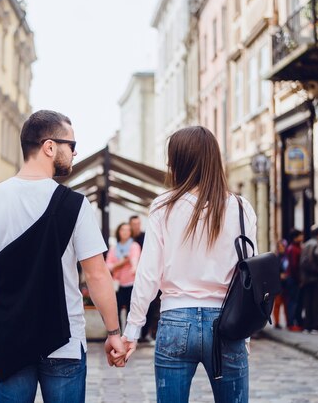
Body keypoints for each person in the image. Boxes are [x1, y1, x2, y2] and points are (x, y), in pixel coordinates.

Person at [0, 110, 126, 403]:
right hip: (63, 342)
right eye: (71, 145)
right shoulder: (75, 205)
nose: (75, 153)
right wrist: (114, 332)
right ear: (49, 147)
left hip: (9, 338)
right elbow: (98, 274)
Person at [122, 126, 255, 402]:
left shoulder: (163, 207)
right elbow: (249, 277)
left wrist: (132, 330)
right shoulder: (241, 208)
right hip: (228, 323)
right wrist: (247, 335)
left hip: (175, 320)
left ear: (180, 162)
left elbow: (148, 275)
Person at [130, 215, 160, 343]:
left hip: (149, 274)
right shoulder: (128, 239)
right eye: (134, 223)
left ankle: (147, 333)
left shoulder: (144, 236)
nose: (137, 225)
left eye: (138, 223)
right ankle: (133, 333)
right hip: (130, 278)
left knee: (152, 306)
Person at [106, 223, 141, 330]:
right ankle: (117, 333)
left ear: (130, 232)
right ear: (118, 232)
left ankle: (129, 334)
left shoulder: (134, 246)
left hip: (131, 284)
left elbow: (135, 260)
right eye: (122, 229)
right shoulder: (114, 248)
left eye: (127, 230)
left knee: (131, 311)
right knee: (116, 310)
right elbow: (108, 266)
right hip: (117, 285)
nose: (125, 232)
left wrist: (133, 266)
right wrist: (121, 263)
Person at [299, 226, 318, 333]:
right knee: (317, 302)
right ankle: (315, 324)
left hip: (306, 278)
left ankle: (308, 324)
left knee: (308, 302)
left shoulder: (306, 244)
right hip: (316, 278)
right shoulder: (317, 245)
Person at [285, 229, 304, 331]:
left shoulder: (295, 247)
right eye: (300, 236)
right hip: (293, 279)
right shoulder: (293, 249)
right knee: (293, 301)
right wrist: (299, 279)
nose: (302, 237)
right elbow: (294, 266)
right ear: (295, 237)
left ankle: (295, 322)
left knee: (295, 301)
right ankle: (291, 323)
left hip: (293, 278)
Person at [273, 239, 289, 329]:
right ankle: (277, 323)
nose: (281, 248)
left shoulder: (287, 257)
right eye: (279, 247)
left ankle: (288, 321)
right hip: (278, 284)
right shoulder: (276, 258)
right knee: (277, 304)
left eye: (282, 246)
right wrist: (279, 275)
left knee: (286, 304)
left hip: (287, 284)